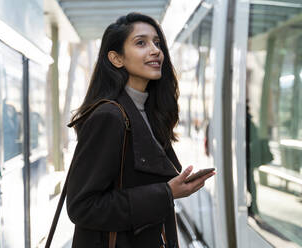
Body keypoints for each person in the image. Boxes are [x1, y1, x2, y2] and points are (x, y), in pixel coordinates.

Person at [66, 12, 215, 248]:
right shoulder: (109, 116)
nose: (155, 50)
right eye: (141, 43)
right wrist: (166, 193)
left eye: (157, 43)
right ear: (116, 59)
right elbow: (82, 206)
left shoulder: (149, 112)